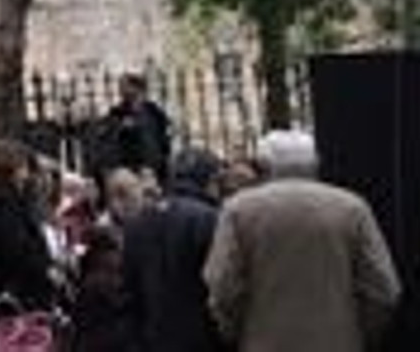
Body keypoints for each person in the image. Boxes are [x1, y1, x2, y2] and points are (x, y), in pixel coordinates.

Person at [203, 131, 401, 352]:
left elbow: (223, 288)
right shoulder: (352, 208)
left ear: (264, 165)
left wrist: (239, 332)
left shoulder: (238, 210)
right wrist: (358, 333)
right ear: (315, 164)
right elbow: (383, 289)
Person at [122, 148, 228, 352]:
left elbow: (129, 290)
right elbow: (220, 284)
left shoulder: (138, 221)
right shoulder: (211, 218)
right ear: (209, 179)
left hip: (152, 338)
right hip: (201, 339)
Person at [0, 140, 56, 312]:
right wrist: (45, 269)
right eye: (23, 166)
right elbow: (17, 251)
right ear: (12, 168)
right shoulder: (6, 203)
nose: (27, 174)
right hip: (15, 300)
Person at [100, 75, 172, 183]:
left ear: (137, 88)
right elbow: (109, 137)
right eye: (121, 86)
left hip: (156, 167)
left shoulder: (153, 111)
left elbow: (164, 134)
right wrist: (121, 127)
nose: (121, 90)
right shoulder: (117, 113)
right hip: (132, 169)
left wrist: (162, 157)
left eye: (125, 86)